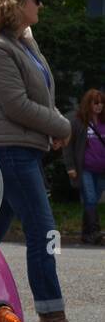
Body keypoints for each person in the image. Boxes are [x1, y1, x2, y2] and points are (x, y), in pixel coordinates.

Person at [0, 0, 95, 322]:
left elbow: (35, 99)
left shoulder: (22, 40)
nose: (40, 4)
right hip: (7, 150)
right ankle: (52, 320)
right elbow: (17, 104)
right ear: (15, 4)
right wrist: (61, 126)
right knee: (43, 232)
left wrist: (48, 130)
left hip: (19, 147)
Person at [66, 88, 105, 245]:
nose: (99, 106)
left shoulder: (104, 121)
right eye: (96, 103)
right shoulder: (78, 121)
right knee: (89, 198)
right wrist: (70, 167)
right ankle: (94, 231)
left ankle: (86, 234)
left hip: (102, 170)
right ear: (88, 104)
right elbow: (67, 145)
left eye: (102, 103)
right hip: (86, 169)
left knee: (93, 200)